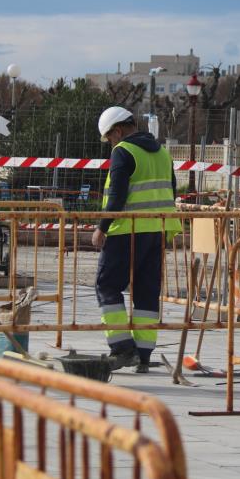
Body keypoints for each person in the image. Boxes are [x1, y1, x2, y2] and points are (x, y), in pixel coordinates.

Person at [92, 106, 181, 373]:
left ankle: (122, 348)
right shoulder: (163, 153)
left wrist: (102, 228)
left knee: (106, 285)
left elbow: (117, 197)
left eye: (109, 138)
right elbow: (171, 190)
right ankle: (143, 354)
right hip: (157, 231)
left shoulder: (123, 152)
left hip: (125, 230)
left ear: (118, 131)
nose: (111, 143)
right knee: (146, 292)